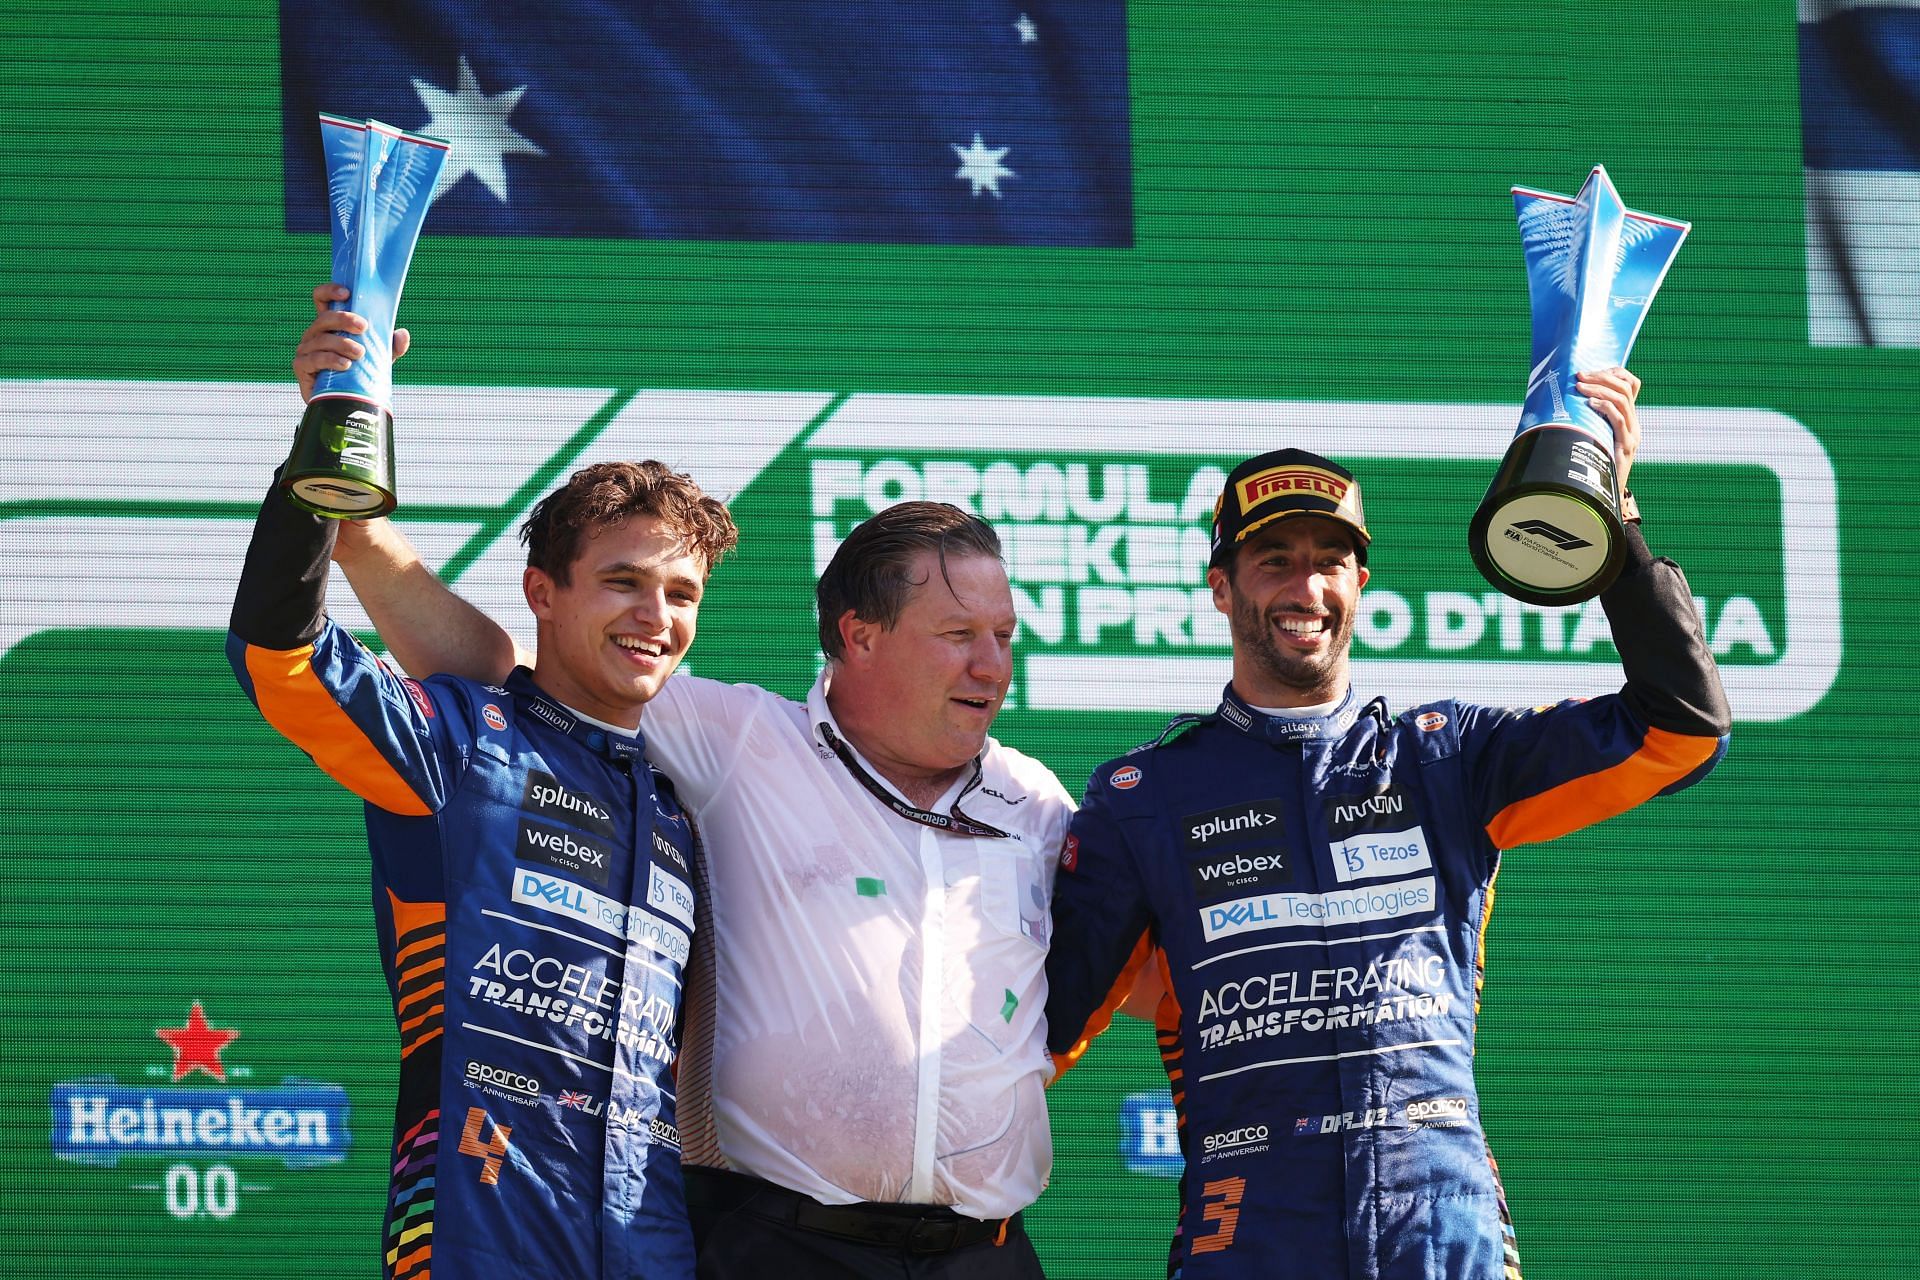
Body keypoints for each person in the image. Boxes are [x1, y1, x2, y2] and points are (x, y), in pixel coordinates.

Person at [295, 287, 1072, 1279]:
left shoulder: (1037, 801)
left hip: (988, 1254)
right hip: (777, 1240)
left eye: (1003, 636)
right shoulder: (735, 737)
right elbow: (508, 668)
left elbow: (1100, 975)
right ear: (860, 639)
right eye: (959, 636)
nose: (992, 664)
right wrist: (355, 519)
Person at [1042, 369, 1732, 1280]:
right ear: (1221, 588)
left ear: (1361, 581)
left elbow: (1681, 726)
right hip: (1250, 1237)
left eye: (1329, 560)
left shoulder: (1449, 759)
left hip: (1442, 1236)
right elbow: (1039, 1035)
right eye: (1273, 560)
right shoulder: (1146, 797)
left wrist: (1615, 518)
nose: (1305, 586)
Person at [229, 364, 740, 1278]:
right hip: (472, 1232)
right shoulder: (465, 744)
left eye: (683, 593)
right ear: (543, 592)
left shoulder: (689, 797)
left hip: (652, 1241)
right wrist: (329, 438)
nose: (656, 617)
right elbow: (283, 655)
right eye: (623, 581)